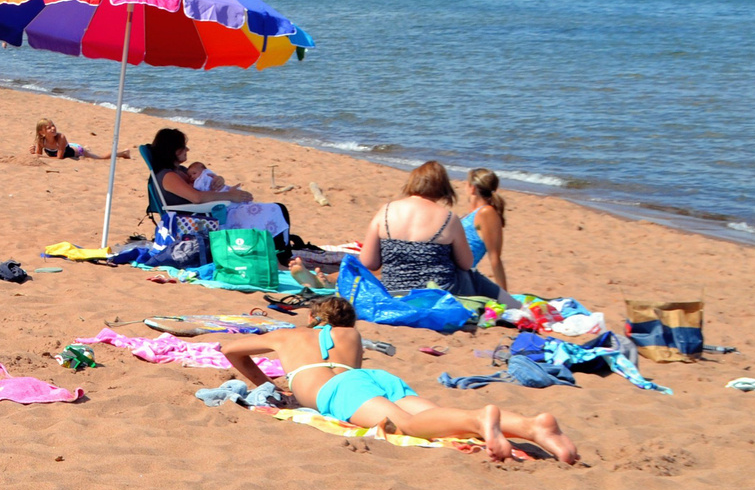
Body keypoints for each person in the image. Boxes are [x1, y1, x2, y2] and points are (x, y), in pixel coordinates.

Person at [218, 298, 579, 463]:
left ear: (313, 318)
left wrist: (268, 382)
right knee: (434, 418)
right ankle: (533, 427)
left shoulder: (289, 334)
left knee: (407, 426)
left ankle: (481, 420)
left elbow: (232, 350)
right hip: (373, 378)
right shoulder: (351, 336)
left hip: (337, 388)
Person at [362, 161, 509, 300]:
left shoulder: (386, 210)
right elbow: (466, 263)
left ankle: (507, 300)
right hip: (440, 285)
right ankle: (510, 303)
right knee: (471, 276)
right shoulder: (451, 217)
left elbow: (368, 262)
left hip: (398, 288)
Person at [145, 127, 290, 239]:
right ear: (175, 151)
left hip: (209, 211)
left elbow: (205, 184)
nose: (187, 150)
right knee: (276, 209)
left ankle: (282, 254)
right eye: (184, 146)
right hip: (202, 219)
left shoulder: (181, 170)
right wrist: (230, 195)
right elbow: (197, 198)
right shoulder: (168, 176)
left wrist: (218, 179)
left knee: (276, 209)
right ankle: (280, 257)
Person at [463, 168, 510, 295]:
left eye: (466, 184)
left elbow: (495, 258)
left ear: (472, 188)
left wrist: (504, 296)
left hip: (461, 275)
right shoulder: (472, 214)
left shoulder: (486, 213)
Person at [29, 118, 121, 160]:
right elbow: (38, 155)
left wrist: (39, 156)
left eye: (53, 126)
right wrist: (33, 153)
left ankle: (122, 153)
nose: (53, 128)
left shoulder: (61, 137)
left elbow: (59, 158)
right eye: (49, 128)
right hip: (68, 146)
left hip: (77, 150)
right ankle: (87, 148)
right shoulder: (41, 141)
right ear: (42, 133)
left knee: (100, 157)